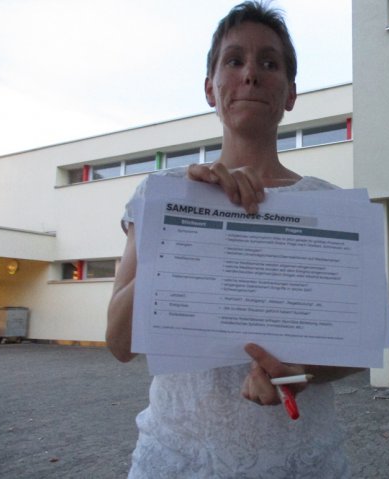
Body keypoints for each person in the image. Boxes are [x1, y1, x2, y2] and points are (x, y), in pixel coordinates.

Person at [106, 2, 361, 477]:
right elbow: (120, 343)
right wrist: (187, 226)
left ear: (290, 93)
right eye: (234, 60)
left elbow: (357, 348)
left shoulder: (327, 207)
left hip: (300, 461)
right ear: (210, 88)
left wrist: (302, 373)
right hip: (177, 460)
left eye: (269, 63)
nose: (251, 74)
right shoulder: (161, 195)